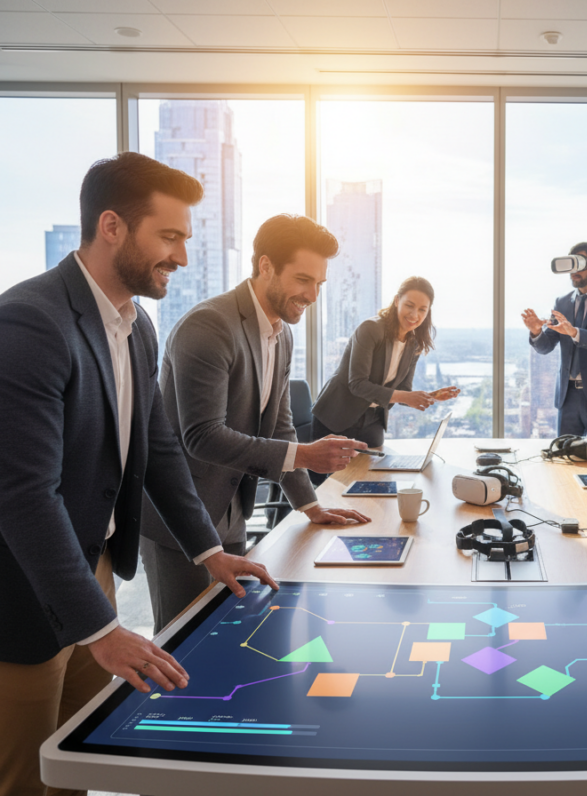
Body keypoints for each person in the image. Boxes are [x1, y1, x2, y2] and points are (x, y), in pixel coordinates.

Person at [0, 152, 278, 796]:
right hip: (24, 584)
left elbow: (159, 450)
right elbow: (23, 495)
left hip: (92, 569)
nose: (181, 255)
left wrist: (209, 550)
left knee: (77, 762)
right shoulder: (31, 321)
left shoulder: (138, 325)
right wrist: (102, 629)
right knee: (27, 775)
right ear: (112, 227)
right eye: (169, 236)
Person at [140, 214, 371, 633]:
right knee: (183, 640)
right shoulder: (209, 325)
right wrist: (306, 455)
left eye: (319, 283)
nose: (312, 295)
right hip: (181, 514)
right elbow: (202, 436)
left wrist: (310, 505)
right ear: (266, 266)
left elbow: (279, 426)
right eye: (303, 279)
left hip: (231, 510)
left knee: (225, 630)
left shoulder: (281, 333)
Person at [313, 276, 459, 447]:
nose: (414, 315)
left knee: (377, 464)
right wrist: (406, 396)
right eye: (409, 305)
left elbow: (403, 391)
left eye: (422, 310)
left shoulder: (414, 344)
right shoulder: (371, 329)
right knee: (336, 467)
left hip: (373, 421)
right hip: (337, 417)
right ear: (397, 301)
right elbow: (357, 384)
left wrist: (430, 396)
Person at [521, 242, 587, 441]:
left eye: (579, 264)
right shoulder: (561, 302)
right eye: (570, 265)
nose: (573, 271)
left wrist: (574, 332)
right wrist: (536, 332)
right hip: (567, 396)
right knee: (565, 454)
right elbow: (546, 346)